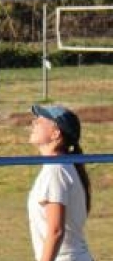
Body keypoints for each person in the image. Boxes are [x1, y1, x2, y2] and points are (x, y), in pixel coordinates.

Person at [28, 104, 93, 261]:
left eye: (41, 120)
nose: (33, 123)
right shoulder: (59, 168)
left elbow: (56, 231)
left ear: (56, 133)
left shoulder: (56, 171)